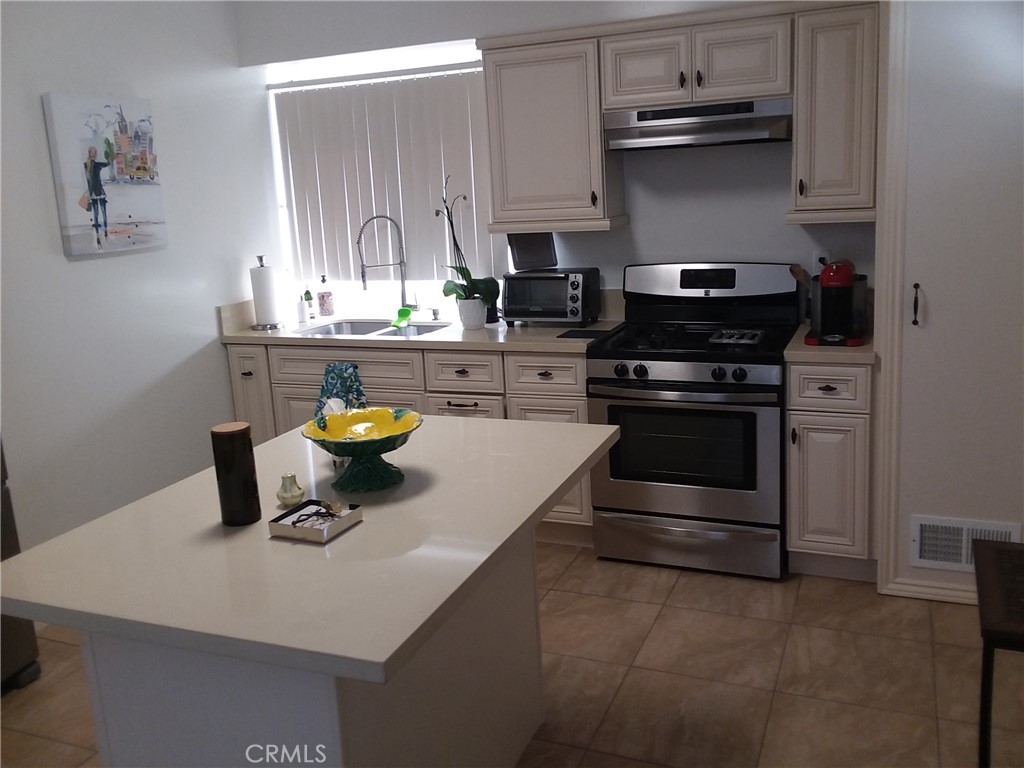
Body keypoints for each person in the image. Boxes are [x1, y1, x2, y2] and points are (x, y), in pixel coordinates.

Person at [84, 146, 108, 244]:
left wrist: (89, 194)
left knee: (96, 215)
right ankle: (106, 233)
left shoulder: (86, 165)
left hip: (92, 193)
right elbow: (107, 164)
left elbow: (88, 181)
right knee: (104, 213)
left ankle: (98, 236)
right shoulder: (97, 165)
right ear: (95, 154)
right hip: (100, 192)